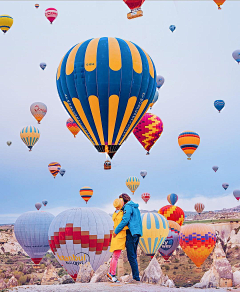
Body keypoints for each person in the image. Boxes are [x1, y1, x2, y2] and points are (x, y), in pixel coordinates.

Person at [113, 193, 142, 283]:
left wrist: (116, 231)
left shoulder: (128, 207)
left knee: (131, 256)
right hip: (137, 233)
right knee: (133, 255)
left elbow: (125, 220)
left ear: (122, 201)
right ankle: (136, 276)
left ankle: (136, 278)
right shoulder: (135, 207)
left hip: (131, 233)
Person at [107, 198, 128, 283]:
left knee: (114, 257)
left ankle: (110, 273)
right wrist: (128, 227)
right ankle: (112, 274)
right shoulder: (121, 214)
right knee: (116, 257)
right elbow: (122, 225)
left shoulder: (115, 214)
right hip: (119, 237)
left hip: (115, 237)